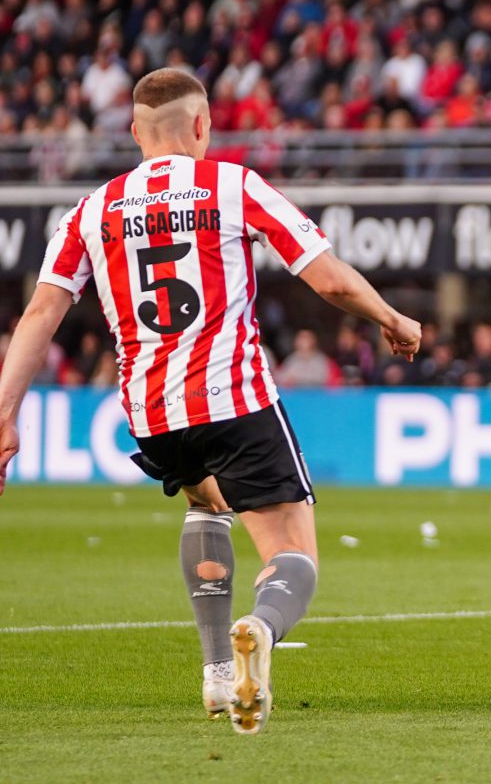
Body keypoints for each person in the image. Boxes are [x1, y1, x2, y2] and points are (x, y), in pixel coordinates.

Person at [0, 68, 423, 734]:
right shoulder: (233, 185)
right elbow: (330, 281)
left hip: (152, 414)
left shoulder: (90, 210)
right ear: (201, 125)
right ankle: (261, 627)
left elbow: (39, 314)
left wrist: (4, 415)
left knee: (206, 501)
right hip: (234, 400)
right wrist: (393, 319)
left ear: (135, 132)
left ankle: (219, 671)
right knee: (293, 557)